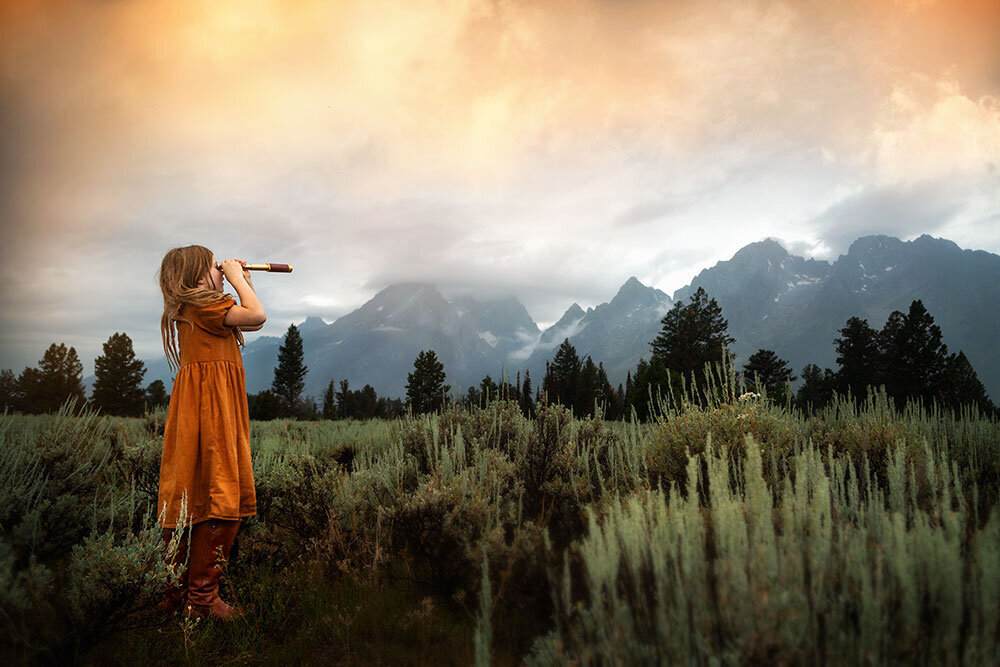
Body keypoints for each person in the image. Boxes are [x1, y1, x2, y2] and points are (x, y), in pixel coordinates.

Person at [155, 245, 266, 621]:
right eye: (214, 266)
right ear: (198, 277)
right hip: (212, 412)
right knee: (222, 496)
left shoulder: (197, 309)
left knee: (194, 493)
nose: (222, 270)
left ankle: (179, 593)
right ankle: (201, 598)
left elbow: (245, 314)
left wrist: (241, 280)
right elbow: (257, 315)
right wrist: (237, 279)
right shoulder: (205, 307)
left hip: (203, 410)